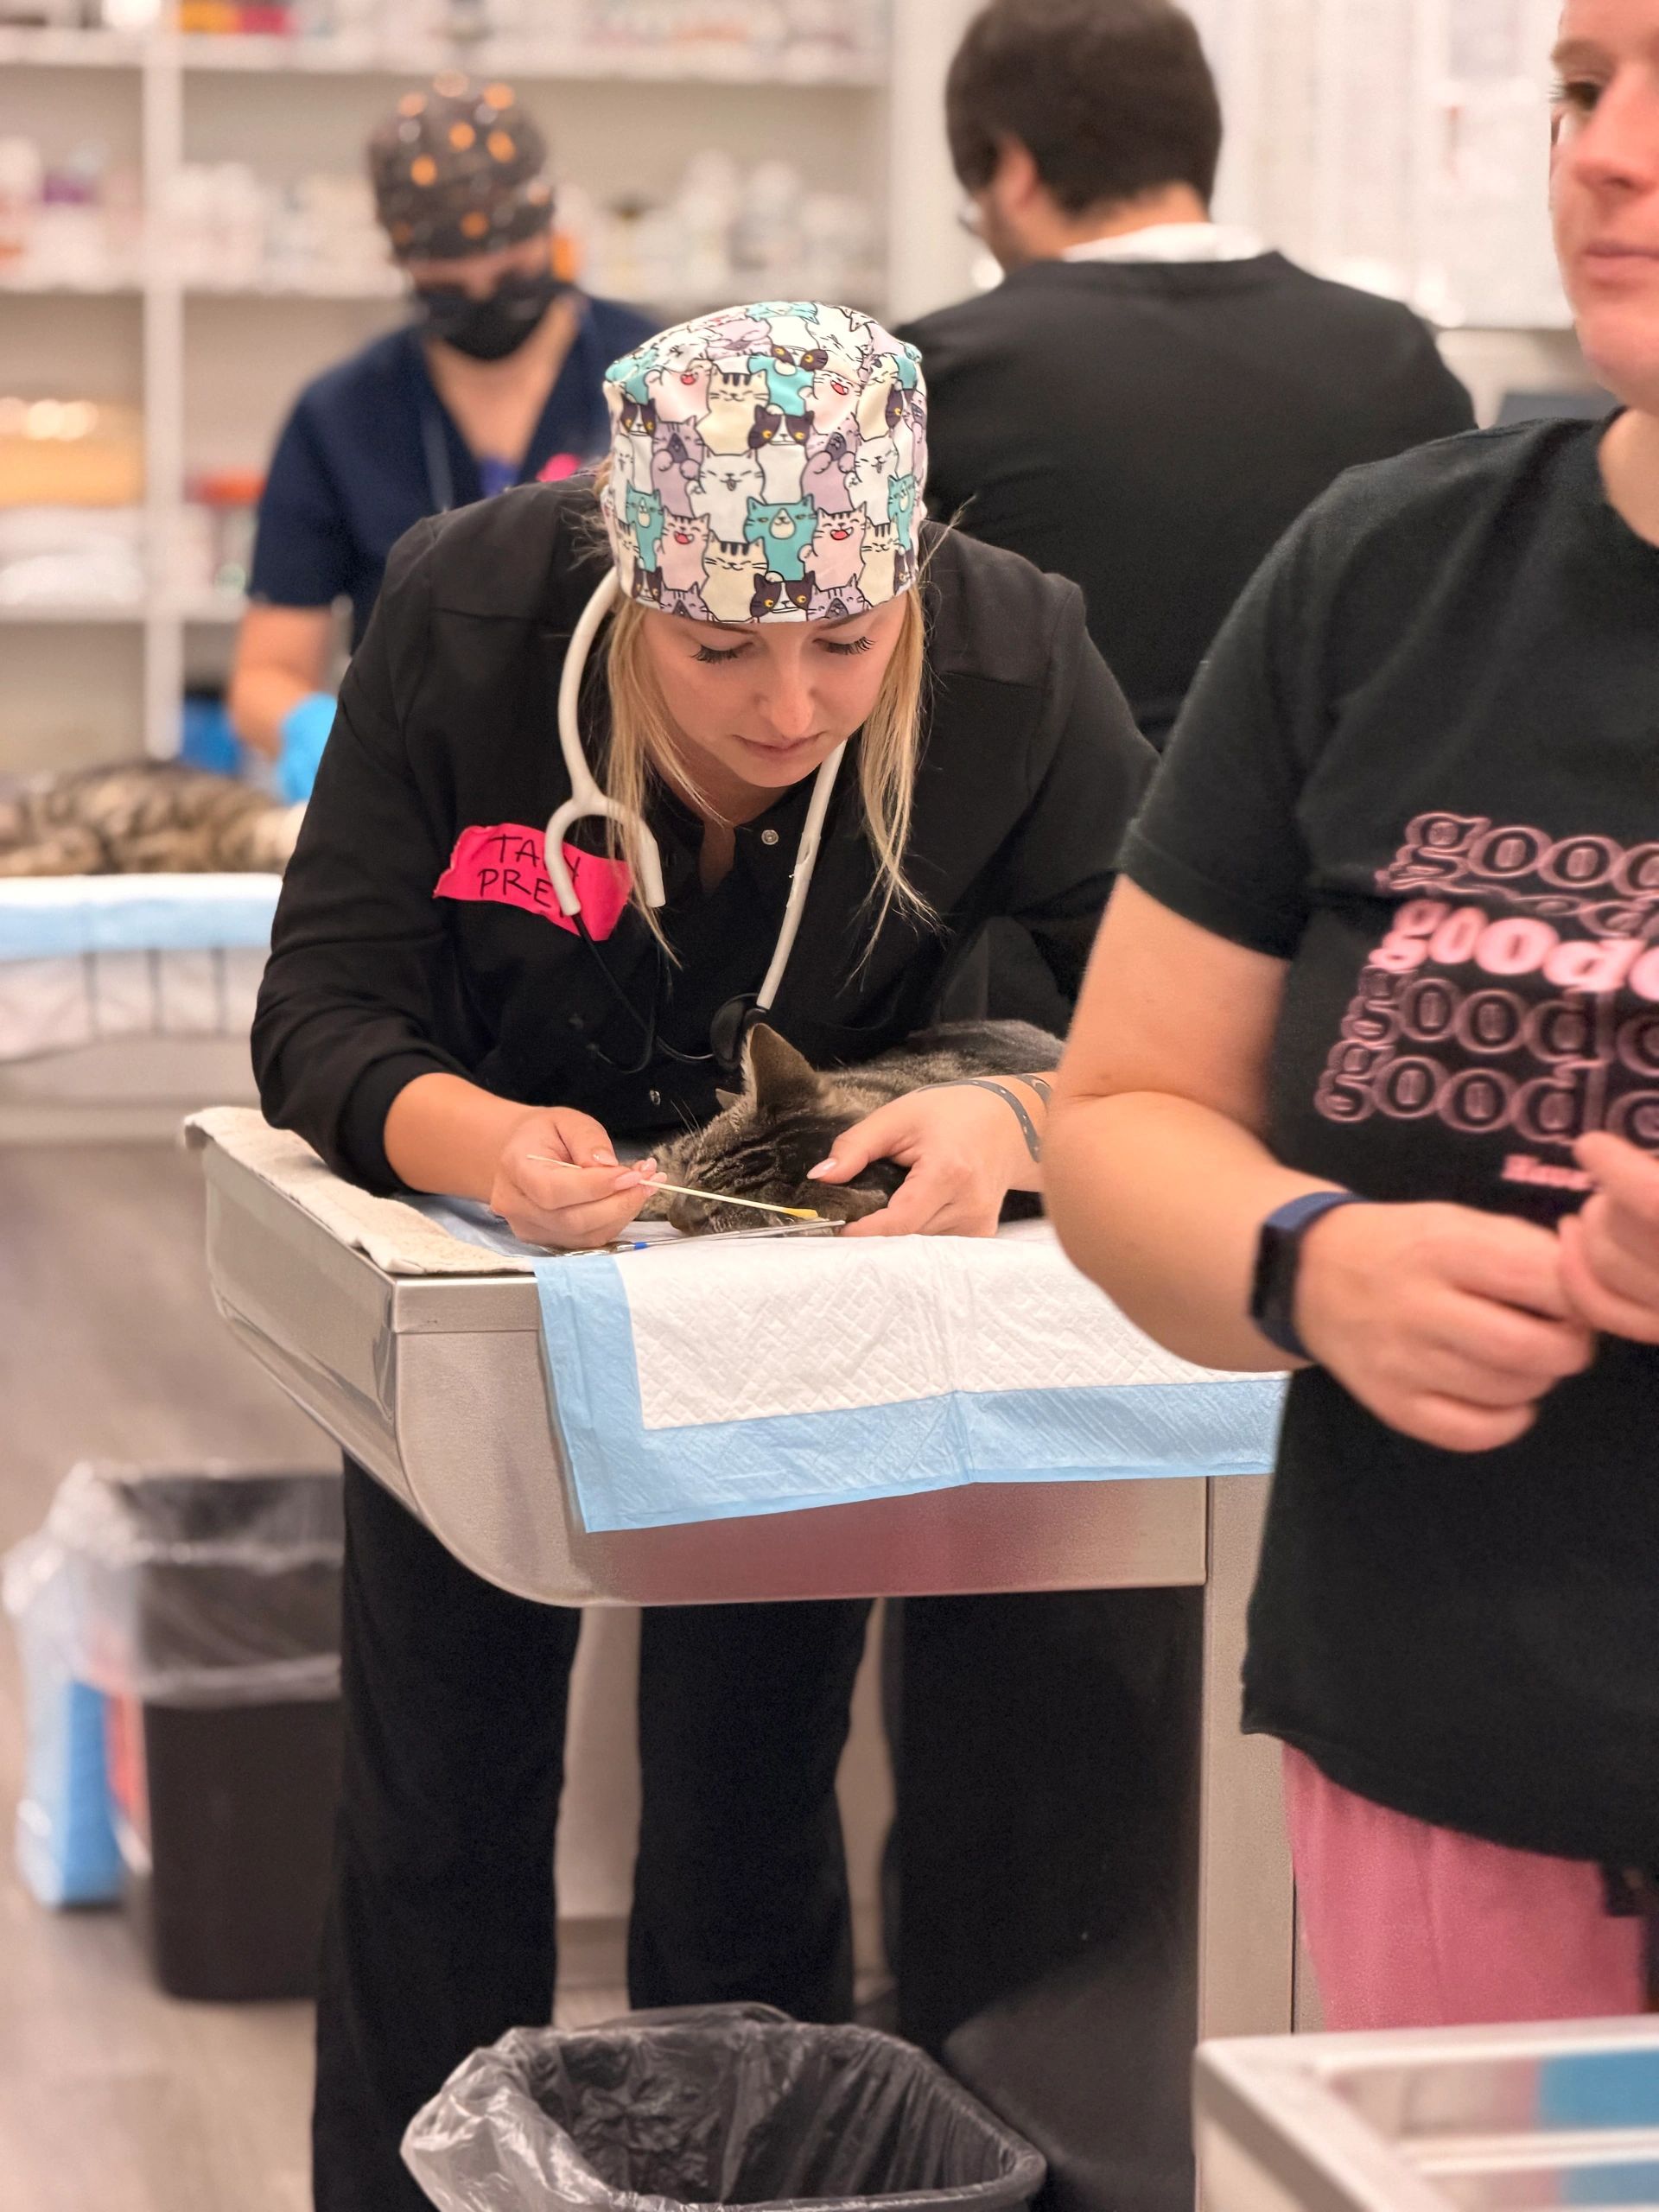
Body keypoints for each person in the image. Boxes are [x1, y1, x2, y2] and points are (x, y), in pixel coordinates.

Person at [253, 299, 1154, 2209]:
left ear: (915, 582)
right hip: (494, 1263)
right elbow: (323, 1008)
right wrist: (479, 1143)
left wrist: (1021, 1120)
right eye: (719, 646)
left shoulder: (1013, 654)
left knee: (755, 1790)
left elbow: (1174, 1018)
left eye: (845, 640)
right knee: (440, 1789)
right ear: (624, 575)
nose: (786, 706)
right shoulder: (469, 617)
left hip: (793, 1291)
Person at [1048, 0, 1659, 2033]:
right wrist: (1310, 1262)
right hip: (1440, 1768)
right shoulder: (1386, 577)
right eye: (1582, 87)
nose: (1601, 153)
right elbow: (1121, 1112)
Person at [899, 0, 1474, 747]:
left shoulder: (934, 372)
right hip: (1349, 846)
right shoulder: (1398, 354)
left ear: (1011, 171)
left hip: (1062, 855)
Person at [227, 75, 656, 803]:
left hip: (632, 776)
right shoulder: (342, 415)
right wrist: (319, 737)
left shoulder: (657, 378)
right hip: (422, 788)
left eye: (513, 274)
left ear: (552, 228)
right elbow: (266, 672)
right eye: (451, 289)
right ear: (401, 264)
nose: (486, 296)